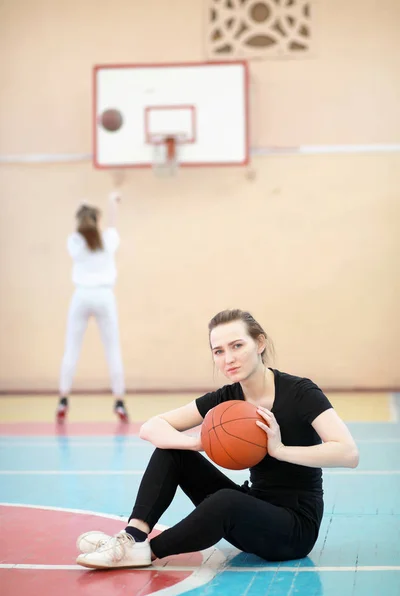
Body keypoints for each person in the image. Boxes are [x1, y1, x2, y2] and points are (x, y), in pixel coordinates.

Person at [75, 309, 359, 568]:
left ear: (259, 344)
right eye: (219, 351)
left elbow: (348, 453)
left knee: (226, 501)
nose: (229, 359)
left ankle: (144, 553)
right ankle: (132, 537)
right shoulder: (227, 397)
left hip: (294, 528)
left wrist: (280, 449)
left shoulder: (300, 392)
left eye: (237, 346)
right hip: (254, 509)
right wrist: (196, 443)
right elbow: (150, 427)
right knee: (172, 451)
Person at [56, 192, 128, 423]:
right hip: (104, 296)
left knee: (71, 349)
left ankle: (63, 399)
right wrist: (111, 202)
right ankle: (119, 401)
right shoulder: (107, 240)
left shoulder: (74, 242)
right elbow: (113, 222)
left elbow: (83, 223)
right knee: (113, 350)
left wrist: (83, 205)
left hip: (81, 296)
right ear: (97, 221)